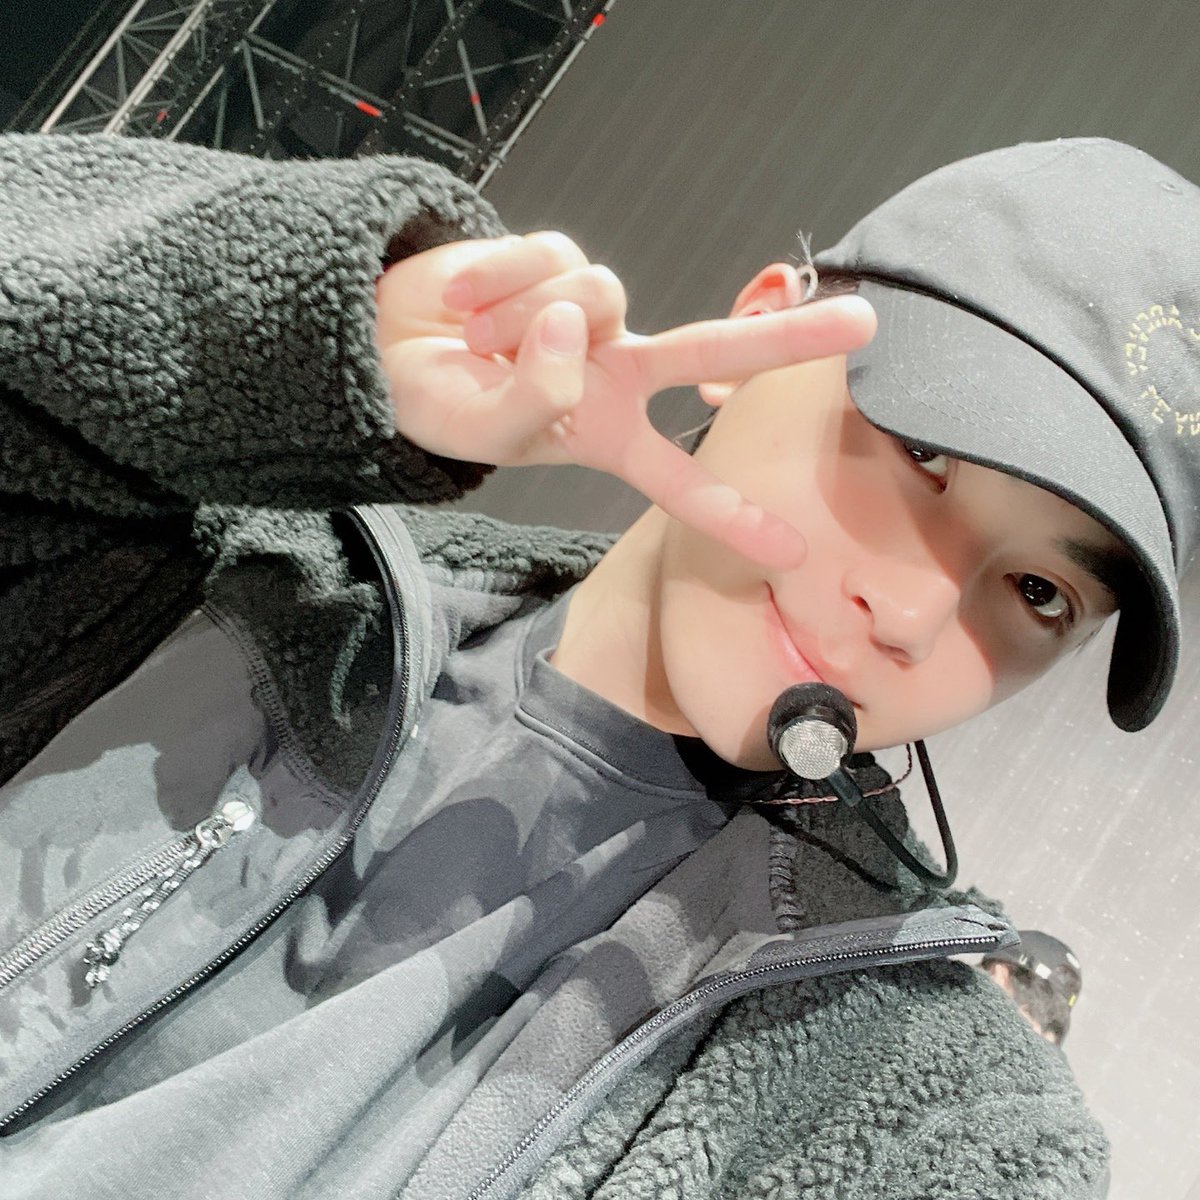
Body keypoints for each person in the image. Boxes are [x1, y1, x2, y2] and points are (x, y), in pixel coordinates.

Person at [1, 131, 1195, 1198]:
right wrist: (302, 343)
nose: (915, 614)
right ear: (756, 333)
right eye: (925, 448)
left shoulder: (920, 1106)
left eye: (1040, 592)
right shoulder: (239, 582)